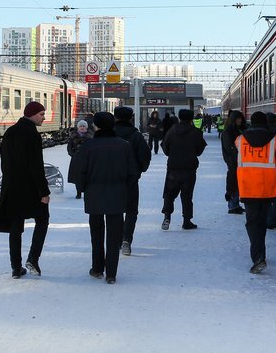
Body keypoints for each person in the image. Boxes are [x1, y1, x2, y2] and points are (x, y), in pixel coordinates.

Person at [70, 111, 139, 284]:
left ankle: (97, 268)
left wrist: (84, 188)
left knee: (97, 233)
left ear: (97, 126)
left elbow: (79, 173)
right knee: (115, 235)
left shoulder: (88, 146)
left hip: (94, 195)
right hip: (117, 195)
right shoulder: (124, 146)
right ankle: (111, 274)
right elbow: (133, 173)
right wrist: (123, 186)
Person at [0, 101, 51, 279]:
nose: (44, 118)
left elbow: (4, 163)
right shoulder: (32, 135)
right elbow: (36, 167)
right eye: (41, 114)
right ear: (31, 114)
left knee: (15, 226)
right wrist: (44, 192)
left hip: (11, 187)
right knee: (43, 219)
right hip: (30, 189)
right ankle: (33, 258)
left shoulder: (10, 132)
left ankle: (15, 268)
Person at [236, 111, 276, 274]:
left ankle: (258, 257)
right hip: (268, 190)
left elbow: (234, 166)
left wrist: (230, 189)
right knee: (261, 222)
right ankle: (260, 254)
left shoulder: (240, 141)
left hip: (247, 189)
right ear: (266, 123)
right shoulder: (275, 141)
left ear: (251, 123)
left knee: (253, 223)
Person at [113, 106, 152, 256]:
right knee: (131, 210)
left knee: (114, 211)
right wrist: (138, 171)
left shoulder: (109, 135)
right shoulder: (136, 136)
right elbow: (145, 156)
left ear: (115, 117)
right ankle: (126, 240)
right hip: (130, 180)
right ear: (131, 118)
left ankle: (115, 240)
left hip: (111, 179)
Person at [160, 108, 207, 231]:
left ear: (180, 118)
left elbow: (165, 148)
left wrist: (173, 153)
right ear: (191, 119)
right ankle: (187, 221)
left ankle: (167, 217)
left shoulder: (171, 131)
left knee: (169, 194)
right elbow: (200, 150)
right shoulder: (196, 132)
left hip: (173, 168)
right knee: (187, 195)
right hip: (189, 169)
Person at [220, 110, 246, 214]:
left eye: (241, 118)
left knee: (237, 181)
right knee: (232, 181)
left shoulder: (239, 129)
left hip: (239, 159)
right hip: (232, 160)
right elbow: (229, 148)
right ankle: (232, 205)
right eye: (238, 118)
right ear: (234, 119)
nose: (240, 120)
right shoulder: (228, 132)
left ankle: (235, 204)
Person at [66, 120, 92, 199]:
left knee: (87, 176)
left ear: (86, 128)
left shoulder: (90, 137)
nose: (82, 128)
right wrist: (72, 154)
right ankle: (78, 193)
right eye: (81, 126)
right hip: (76, 160)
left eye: (84, 126)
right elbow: (69, 147)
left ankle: (87, 192)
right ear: (78, 127)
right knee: (77, 177)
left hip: (87, 160)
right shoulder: (73, 136)